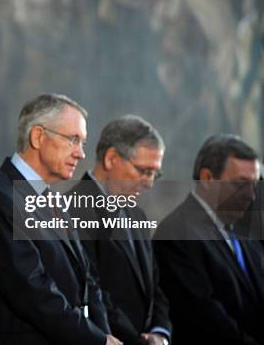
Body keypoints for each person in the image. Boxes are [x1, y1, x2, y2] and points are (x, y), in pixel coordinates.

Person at [0, 93, 122, 345]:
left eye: (82, 142)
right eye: (73, 140)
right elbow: (33, 291)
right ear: (38, 137)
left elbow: (87, 281)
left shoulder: (55, 200)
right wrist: (97, 340)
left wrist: (105, 336)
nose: (81, 154)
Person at [70, 115, 172, 345]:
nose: (149, 182)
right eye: (144, 170)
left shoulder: (137, 215)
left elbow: (155, 286)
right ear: (111, 158)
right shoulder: (74, 210)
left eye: (155, 173)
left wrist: (160, 332)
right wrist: (138, 341)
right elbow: (91, 293)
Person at [153, 134, 264, 345]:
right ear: (207, 178)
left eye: (254, 184)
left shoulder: (244, 233)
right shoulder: (177, 234)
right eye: (240, 184)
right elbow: (205, 317)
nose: (251, 195)